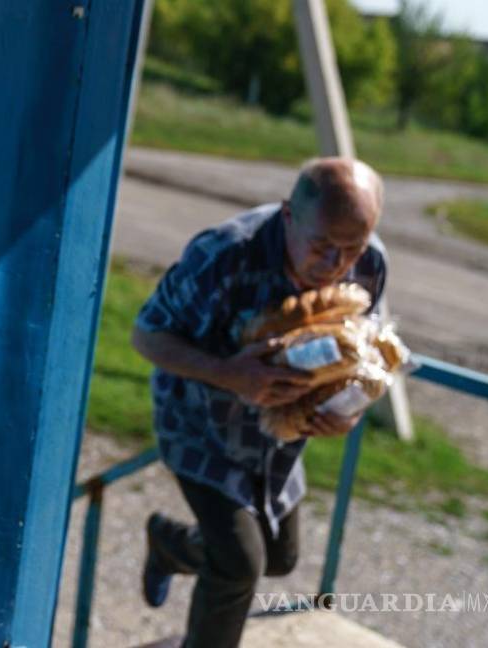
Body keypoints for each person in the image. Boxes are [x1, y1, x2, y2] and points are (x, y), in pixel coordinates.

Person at [132, 158, 387, 647]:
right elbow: (146, 334)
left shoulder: (370, 260)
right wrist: (229, 373)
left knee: (279, 557)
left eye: (351, 249)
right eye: (322, 247)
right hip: (200, 423)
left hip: (277, 437)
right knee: (239, 563)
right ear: (289, 215)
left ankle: (170, 545)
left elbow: (355, 345)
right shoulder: (224, 254)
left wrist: (345, 407)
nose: (336, 265)